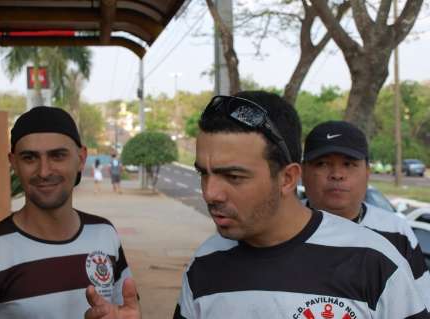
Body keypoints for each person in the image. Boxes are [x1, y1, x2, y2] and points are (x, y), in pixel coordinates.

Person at [84, 92, 429, 319]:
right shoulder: (206, 264)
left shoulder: (373, 261)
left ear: (287, 178)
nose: (211, 193)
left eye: (233, 176)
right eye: (204, 174)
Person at [0, 106, 131, 319]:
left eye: (57, 155)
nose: (44, 171)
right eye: (29, 158)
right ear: (14, 164)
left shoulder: (105, 233)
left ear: (81, 159)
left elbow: (124, 310)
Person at [301, 120, 430, 308]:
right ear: (302, 172)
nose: (337, 174)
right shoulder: (277, 231)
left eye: (348, 164)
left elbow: (421, 301)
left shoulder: (397, 231)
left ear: (368, 172)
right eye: (322, 163)